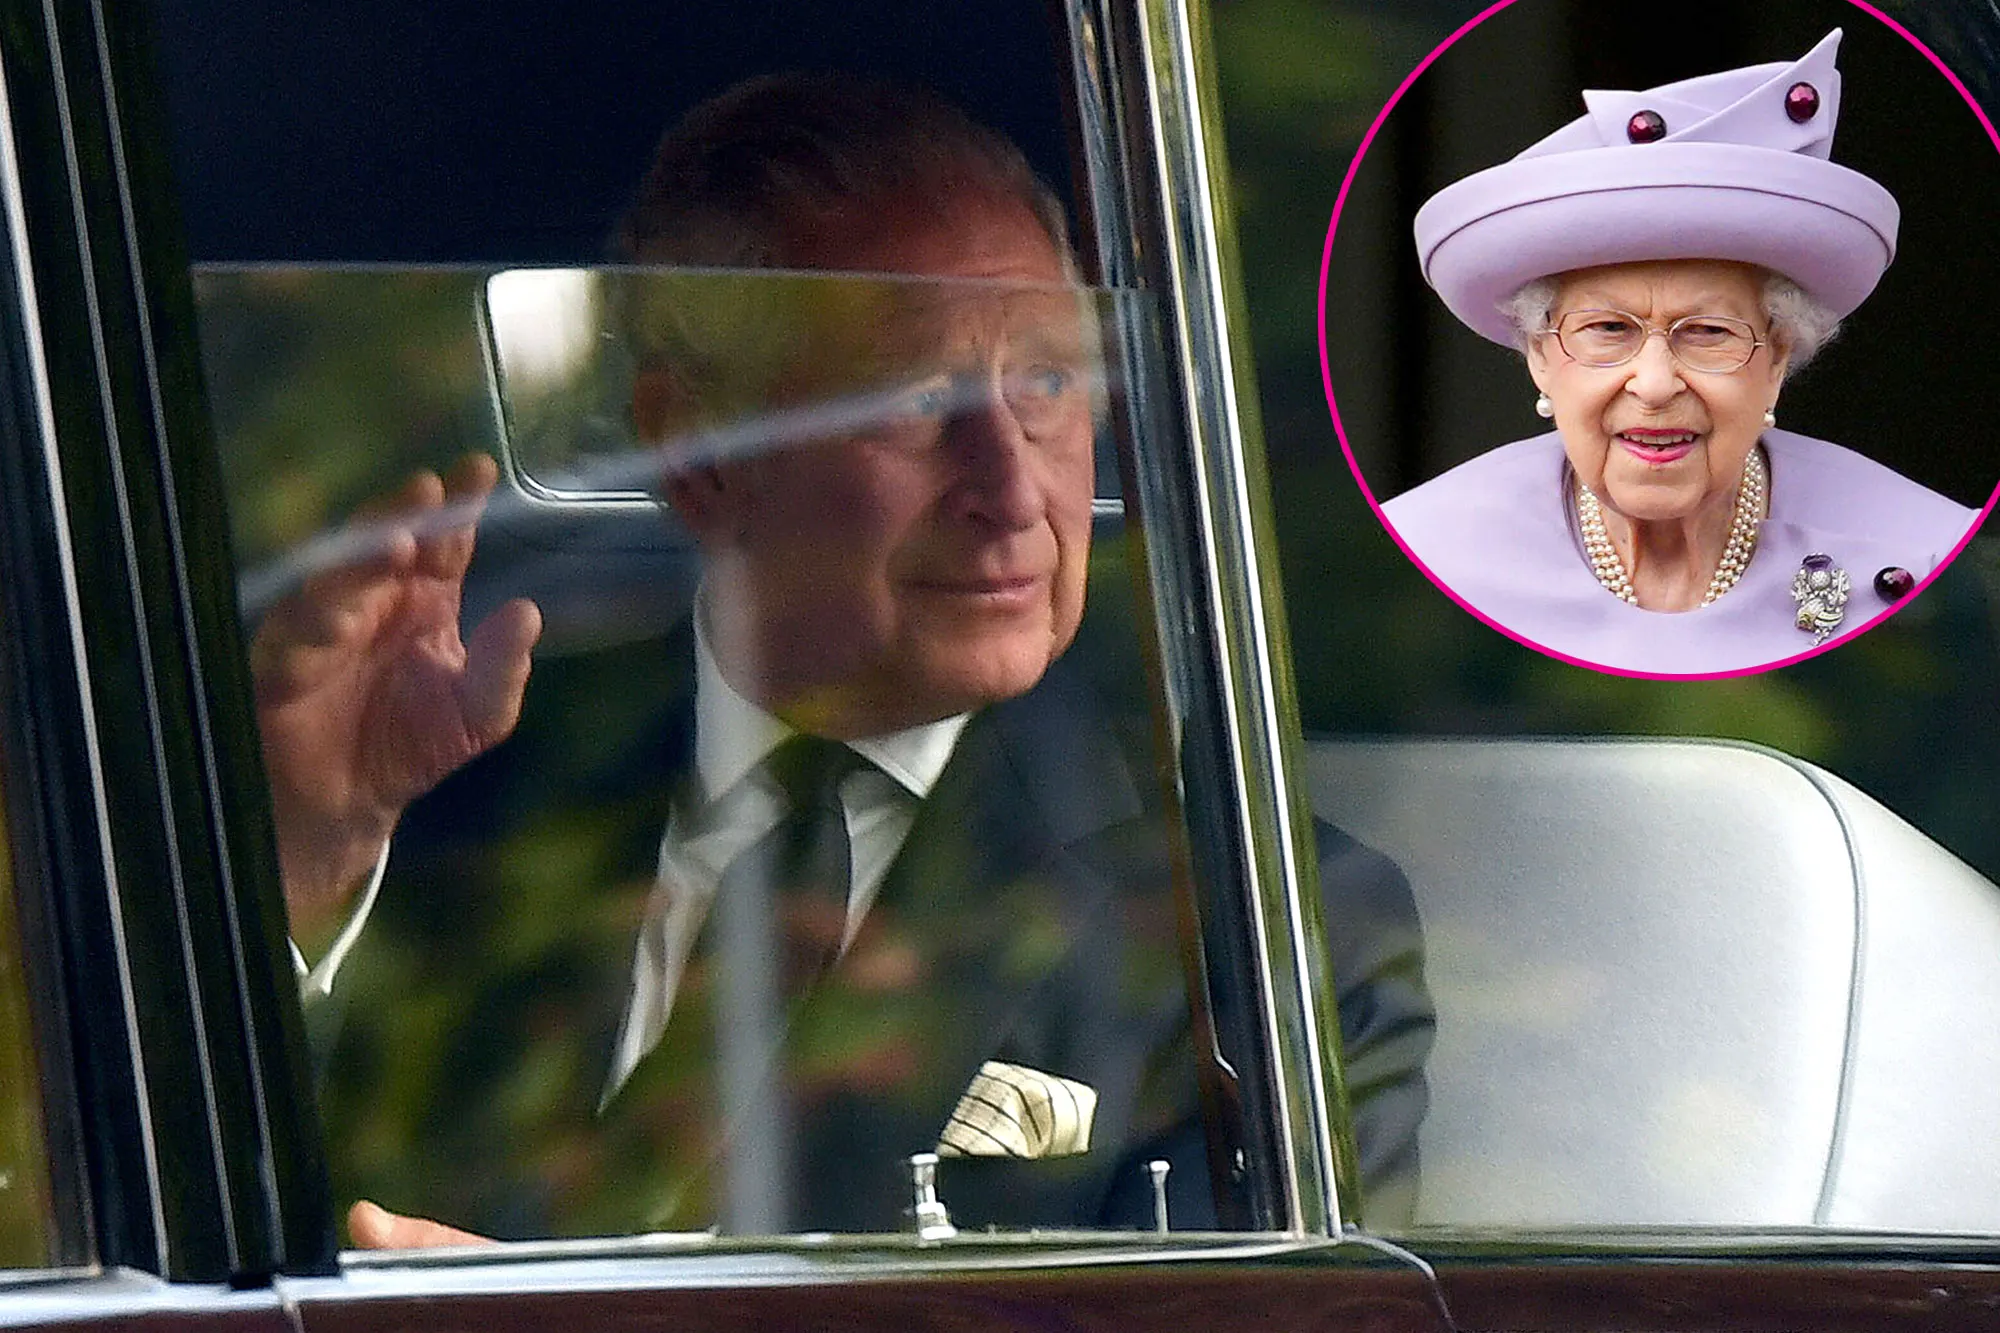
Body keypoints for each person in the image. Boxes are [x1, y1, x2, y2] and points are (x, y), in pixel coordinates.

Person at [256, 73, 1430, 1244]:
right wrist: (308, 850)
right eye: (916, 391)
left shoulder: (1258, 928)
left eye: (1047, 381)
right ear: (698, 447)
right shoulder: (447, 780)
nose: (1014, 489)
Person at [1381, 30, 1981, 674]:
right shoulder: (1422, 555)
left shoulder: (1924, 552)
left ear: (1778, 357)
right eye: (1608, 330)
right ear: (1539, 357)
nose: (1657, 383)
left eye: (1708, 333)